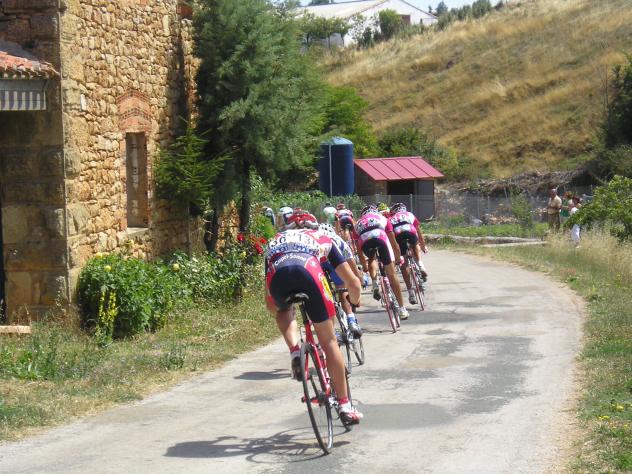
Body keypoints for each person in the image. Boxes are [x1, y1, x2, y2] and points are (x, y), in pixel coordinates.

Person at [265, 224, 363, 424]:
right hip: (307, 270)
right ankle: (345, 406)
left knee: (283, 309)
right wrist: (353, 301)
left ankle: (295, 351)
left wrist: (284, 309)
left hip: (278, 275)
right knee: (329, 341)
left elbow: (269, 304)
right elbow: (353, 283)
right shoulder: (324, 237)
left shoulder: (273, 242)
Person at [355, 205, 410, 320]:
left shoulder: (358, 223)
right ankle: (402, 309)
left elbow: (358, 249)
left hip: (365, 243)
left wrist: (364, 265)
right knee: (392, 274)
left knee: (372, 258)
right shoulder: (382, 218)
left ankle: (375, 282)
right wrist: (398, 257)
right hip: (380, 238)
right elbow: (393, 243)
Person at [319, 223, 364, 337]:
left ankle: (330, 329)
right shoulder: (338, 239)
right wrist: (359, 281)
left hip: (317, 263)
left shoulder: (314, 236)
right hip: (334, 262)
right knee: (343, 289)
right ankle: (351, 320)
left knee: (322, 294)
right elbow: (352, 267)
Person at [388, 203, 429, 305]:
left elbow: (391, 238)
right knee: (415, 245)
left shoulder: (391, 219)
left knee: (404, 265)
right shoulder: (409, 214)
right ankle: (420, 265)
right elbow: (419, 233)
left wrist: (396, 255)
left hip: (398, 235)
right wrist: (423, 246)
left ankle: (411, 293)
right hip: (410, 232)